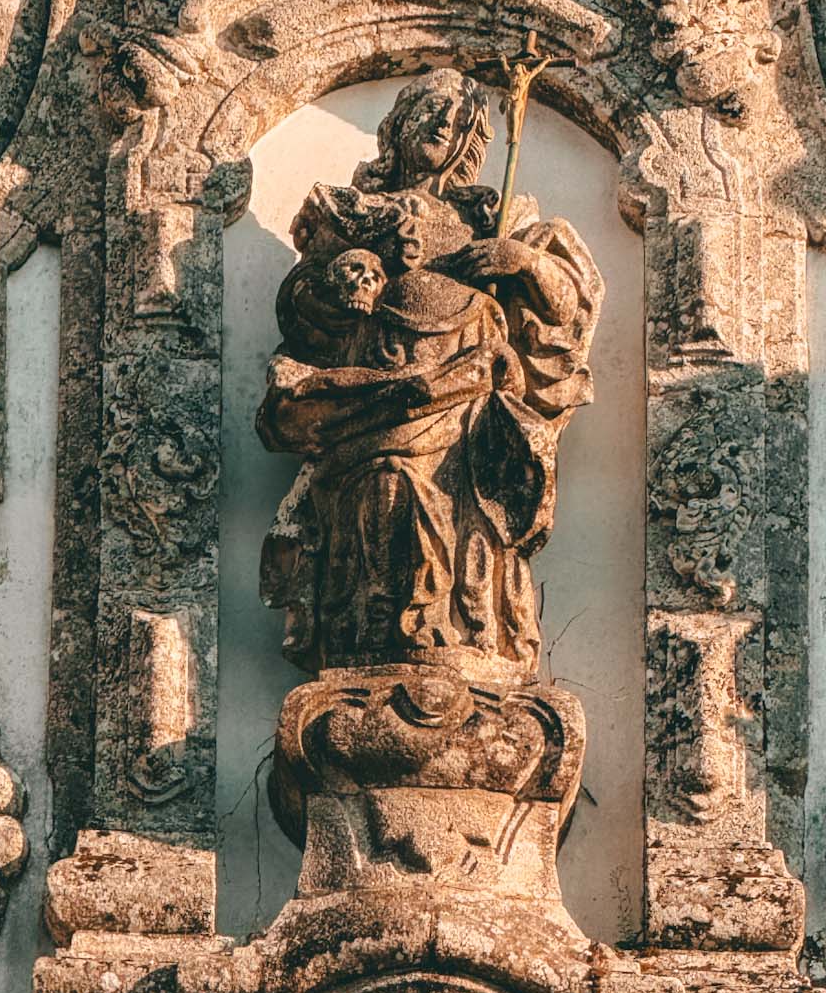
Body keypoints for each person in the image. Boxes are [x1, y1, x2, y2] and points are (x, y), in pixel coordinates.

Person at [258, 69, 602, 678]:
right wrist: (361, 269)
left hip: (471, 404)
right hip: (381, 396)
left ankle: (467, 637)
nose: (445, 123)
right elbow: (301, 304)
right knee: (388, 491)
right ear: (400, 123)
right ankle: (378, 640)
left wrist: (518, 260)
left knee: (471, 521)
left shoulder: (494, 219)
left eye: (460, 117)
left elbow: (566, 306)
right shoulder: (357, 211)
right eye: (433, 108)